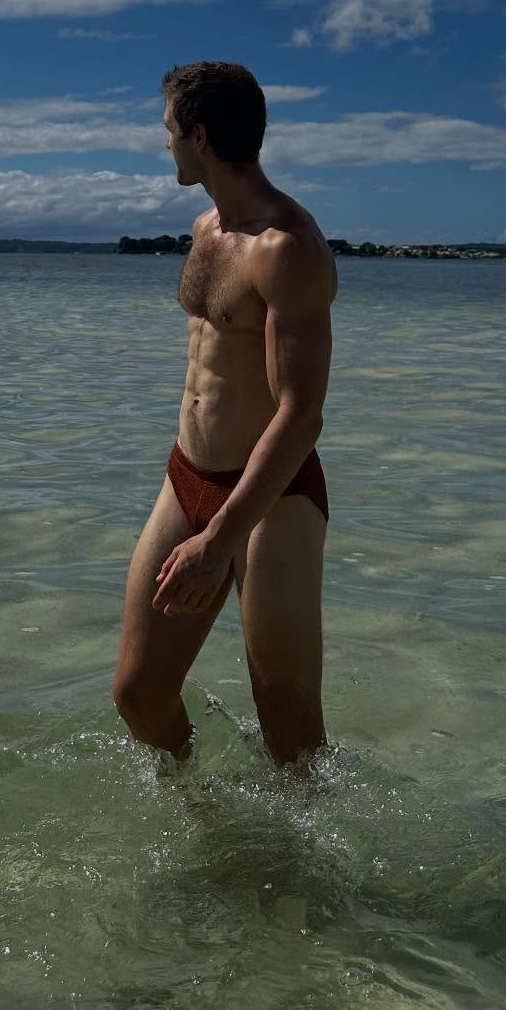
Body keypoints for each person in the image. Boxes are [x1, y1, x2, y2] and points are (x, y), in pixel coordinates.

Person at [112, 60, 337, 768]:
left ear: (200, 137)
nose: (166, 144)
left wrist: (219, 540)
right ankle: (202, 813)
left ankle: (305, 838)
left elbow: (300, 415)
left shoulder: (287, 249)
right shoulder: (204, 227)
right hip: (188, 476)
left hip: (272, 494)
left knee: (288, 728)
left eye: (169, 130)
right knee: (139, 694)